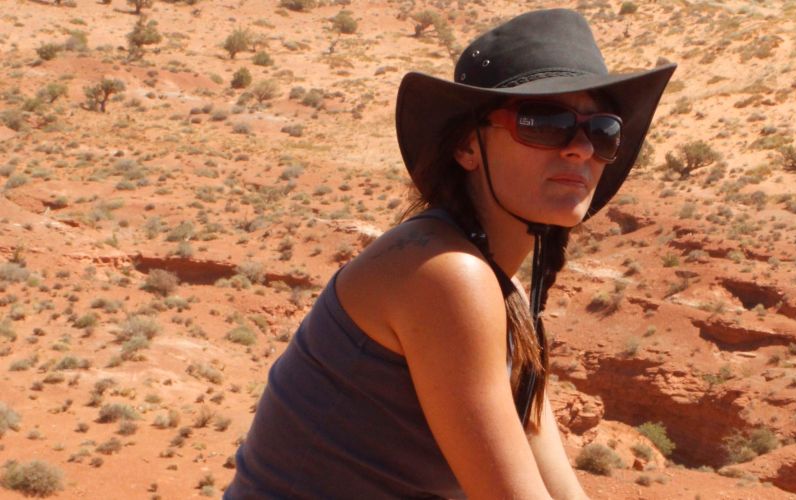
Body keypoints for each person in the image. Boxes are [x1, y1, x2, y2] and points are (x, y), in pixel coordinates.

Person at [226, 9, 675, 499]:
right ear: (467, 147)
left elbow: (558, 487)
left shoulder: (506, 293)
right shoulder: (447, 276)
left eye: (602, 131)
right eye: (544, 122)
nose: (581, 149)